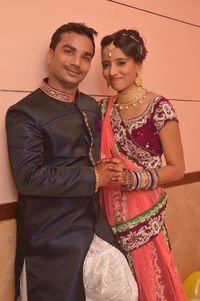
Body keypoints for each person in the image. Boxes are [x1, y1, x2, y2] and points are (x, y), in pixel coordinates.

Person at [6, 23, 138, 301]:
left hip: (94, 222)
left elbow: (99, 155)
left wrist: (114, 167)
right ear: (51, 55)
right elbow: (28, 178)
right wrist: (95, 177)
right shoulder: (24, 112)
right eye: (69, 52)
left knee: (123, 287)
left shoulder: (91, 106)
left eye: (86, 56)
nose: (77, 63)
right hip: (52, 232)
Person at [99, 28, 188, 300]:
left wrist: (133, 179)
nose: (112, 70)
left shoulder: (159, 107)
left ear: (138, 64)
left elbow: (177, 168)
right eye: (106, 64)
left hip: (145, 219)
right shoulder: (103, 109)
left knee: (152, 287)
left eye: (120, 62)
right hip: (108, 219)